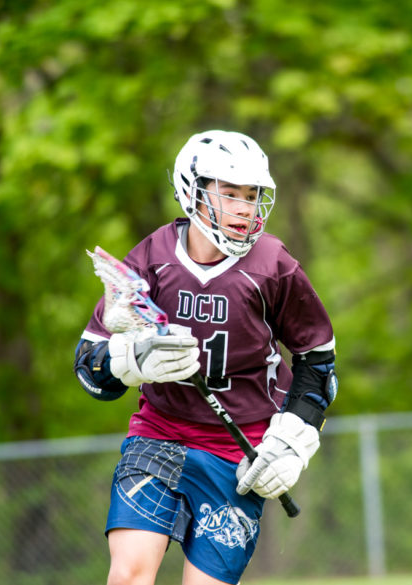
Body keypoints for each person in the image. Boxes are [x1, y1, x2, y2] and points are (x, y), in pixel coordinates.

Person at [73, 130, 337, 585]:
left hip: (237, 452)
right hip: (159, 434)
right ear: (191, 192)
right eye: (229, 194)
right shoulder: (153, 257)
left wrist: (291, 442)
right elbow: (89, 367)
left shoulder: (273, 264)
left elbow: (318, 364)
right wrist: (131, 361)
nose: (243, 207)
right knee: (128, 575)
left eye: (252, 196)